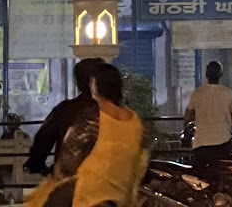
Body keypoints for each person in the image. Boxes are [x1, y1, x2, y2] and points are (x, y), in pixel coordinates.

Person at [71, 64, 147, 207]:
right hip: (122, 195)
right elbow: (142, 157)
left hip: (91, 196)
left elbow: (71, 154)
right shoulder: (135, 120)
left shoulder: (91, 118)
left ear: (96, 87)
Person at [28, 59, 106, 179]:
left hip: (70, 182)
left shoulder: (64, 110)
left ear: (79, 82)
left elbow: (42, 144)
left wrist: (40, 167)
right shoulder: (117, 113)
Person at [184, 61, 232, 165]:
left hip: (201, 141)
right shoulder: (228, 93)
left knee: (202, 177)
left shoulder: (198, 93)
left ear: (206, 75)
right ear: (220, 74)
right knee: (222, 175)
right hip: (223, 140)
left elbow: (187, 117)